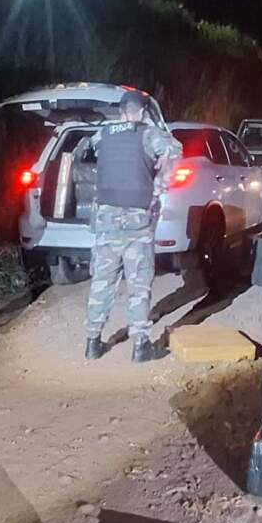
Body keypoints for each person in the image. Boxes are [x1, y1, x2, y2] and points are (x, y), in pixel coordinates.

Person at [84, 90, 182, 362]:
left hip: (106, 220)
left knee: (102, 281)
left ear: (121, 111)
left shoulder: (103, 133)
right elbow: (175, 151)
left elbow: (87, 150)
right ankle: (140, 347)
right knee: (139, 284)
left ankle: (92, 343)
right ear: (142, 111)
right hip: (137, 220)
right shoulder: (148, 134)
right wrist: (159, 186)